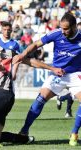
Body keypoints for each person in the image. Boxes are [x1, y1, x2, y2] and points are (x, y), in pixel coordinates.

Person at [0, 31, 63, 147]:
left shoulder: (9, 54)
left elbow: (31, 62)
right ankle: (24, 139)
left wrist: (52, 68)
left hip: (5, 93)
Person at [12, 12, 81, 146]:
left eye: (66, 29)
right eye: (61, 28)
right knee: (40, 99)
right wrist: (23, 54)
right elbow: (36, 44)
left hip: (75, 75)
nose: (63, 31)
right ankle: (24, 131)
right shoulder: (56, 33)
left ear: (74, 27)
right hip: (57, 73)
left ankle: (74, 133)